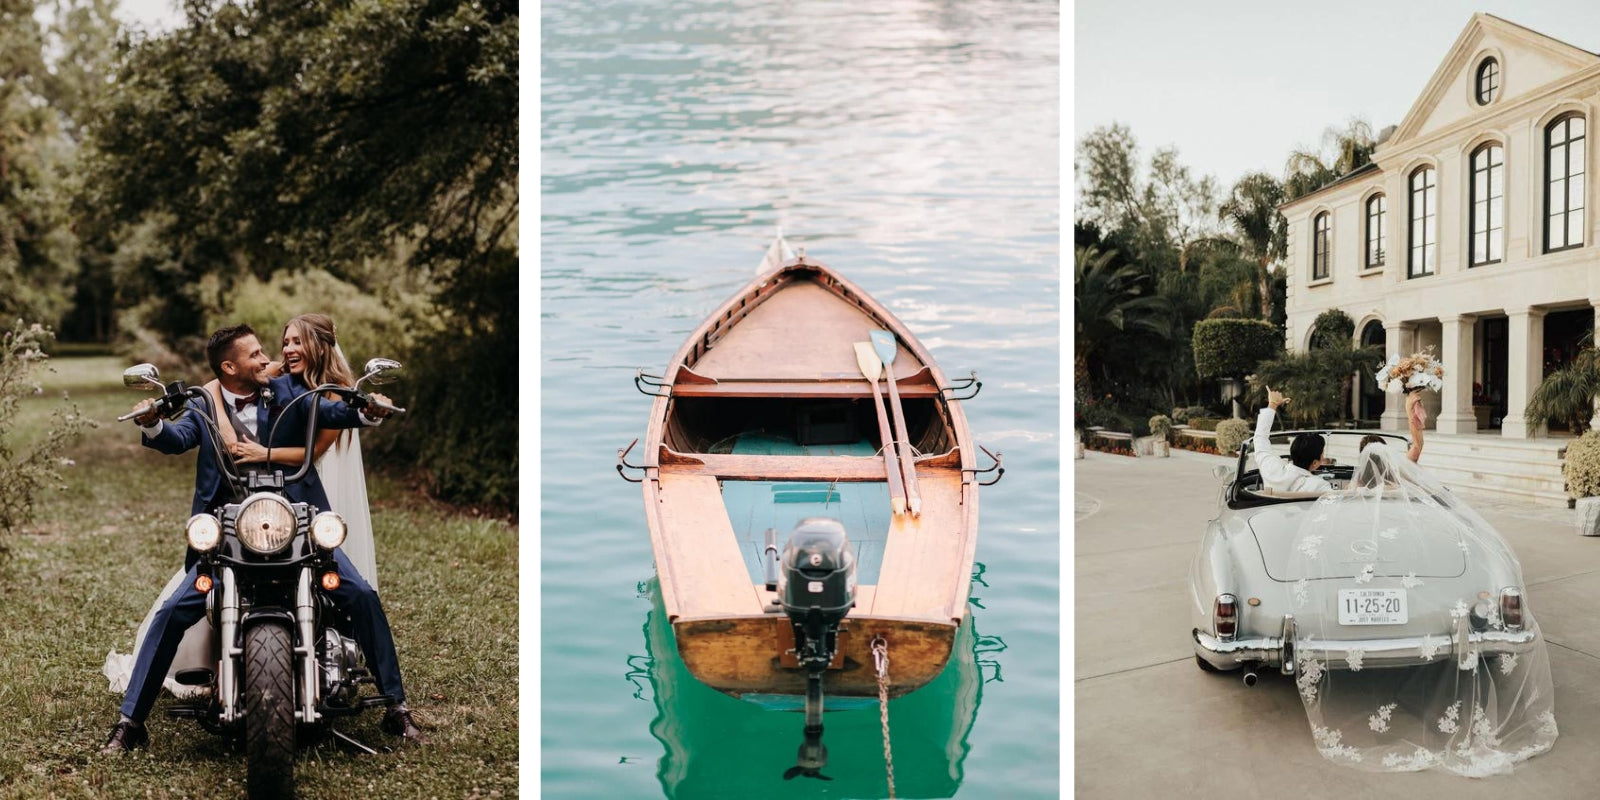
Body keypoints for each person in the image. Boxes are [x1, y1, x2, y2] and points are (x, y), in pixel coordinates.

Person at [100, 324, 427, 754]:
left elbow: (334, 413)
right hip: (227, 533)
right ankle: (130, 723)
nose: (265, 359)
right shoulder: (204, 407)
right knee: (173, 612)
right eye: (254, 355)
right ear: (229, 367)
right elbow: (175, 439)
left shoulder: (290, 391)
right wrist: (153, 422)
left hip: (301, 522)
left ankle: (396, 707)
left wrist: (369, 411)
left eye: (262, 352)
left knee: (360, 594)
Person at [209, 314, 378, 589]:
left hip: (307, 471)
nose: (288, 349)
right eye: (286, 342)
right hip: (277, 479)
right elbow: (214, 384)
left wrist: (264, 453)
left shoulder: (337, 391)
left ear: (320, 346)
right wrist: (225, 425)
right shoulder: (279, 373)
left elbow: (313, 454)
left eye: (298, 342)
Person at [1253, 386, 1332, 493]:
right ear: (1315, 463)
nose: (1323, 457)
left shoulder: (1271, 469)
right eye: (1322, 454)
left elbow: (1260, 438)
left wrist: (1273, 404)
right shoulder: (1320, 486)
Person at [1358, 391, 1427, 462]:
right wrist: (1410, 409)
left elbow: (1417, 447)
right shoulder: (1396, 470)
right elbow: (1417, 447)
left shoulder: (1361, 472)